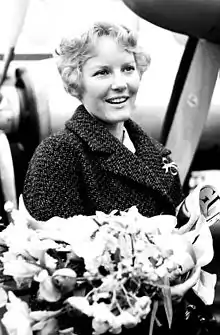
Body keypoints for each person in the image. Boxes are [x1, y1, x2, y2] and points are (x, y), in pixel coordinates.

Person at [22, 22, 204, 334]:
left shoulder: (155, 154)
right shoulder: (58, 155)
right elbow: (52, 273)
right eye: (102, 72)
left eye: (128, 68)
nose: (119, 83)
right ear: (75, 82)